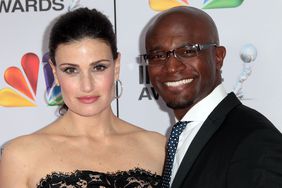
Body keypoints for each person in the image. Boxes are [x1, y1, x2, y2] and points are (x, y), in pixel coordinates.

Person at [0, 7, 166, 188]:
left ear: (116, 66)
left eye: (99, 67)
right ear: (55, 72)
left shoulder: (158, 148)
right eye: (71, 70)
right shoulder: (20, 156)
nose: (87, 86)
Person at [142, 6, 282, 188]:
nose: (171, 67)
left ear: (218, 56)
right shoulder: (180, 135)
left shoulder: (255, 142)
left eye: (188, 51)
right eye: (158, 55)